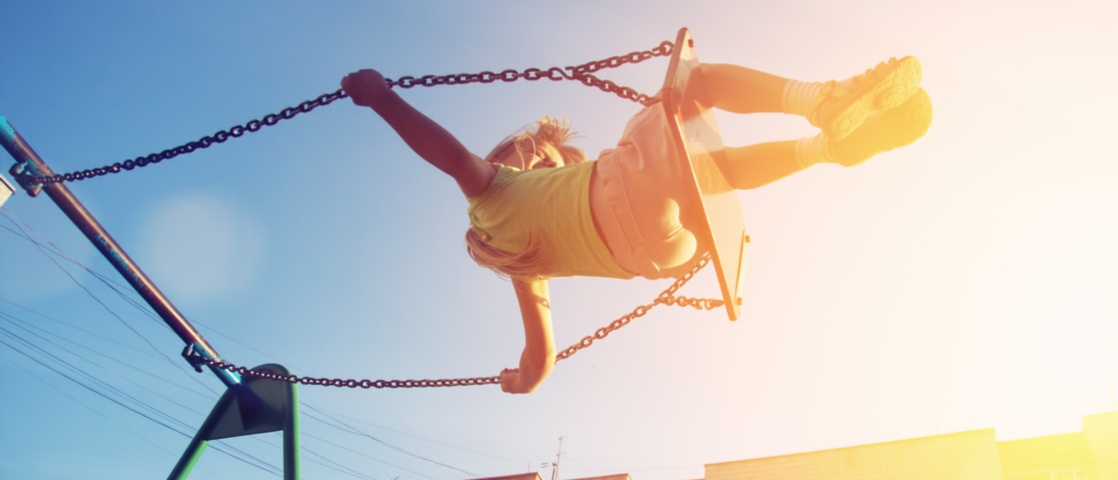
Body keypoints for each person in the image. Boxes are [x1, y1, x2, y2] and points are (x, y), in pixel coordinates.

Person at [341, 56, 932, 394]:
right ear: (504, 164)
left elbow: (539, 361)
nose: (522, 155)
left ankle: (824, 150)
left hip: (661, 254)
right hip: (629, 201)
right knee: (696, 86)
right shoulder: (490, 193)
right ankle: (822, 100)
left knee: (712, 176)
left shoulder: (530, 273)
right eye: (518, 152)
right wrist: (384, 100)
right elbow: (445, 153)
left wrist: (516, 382)